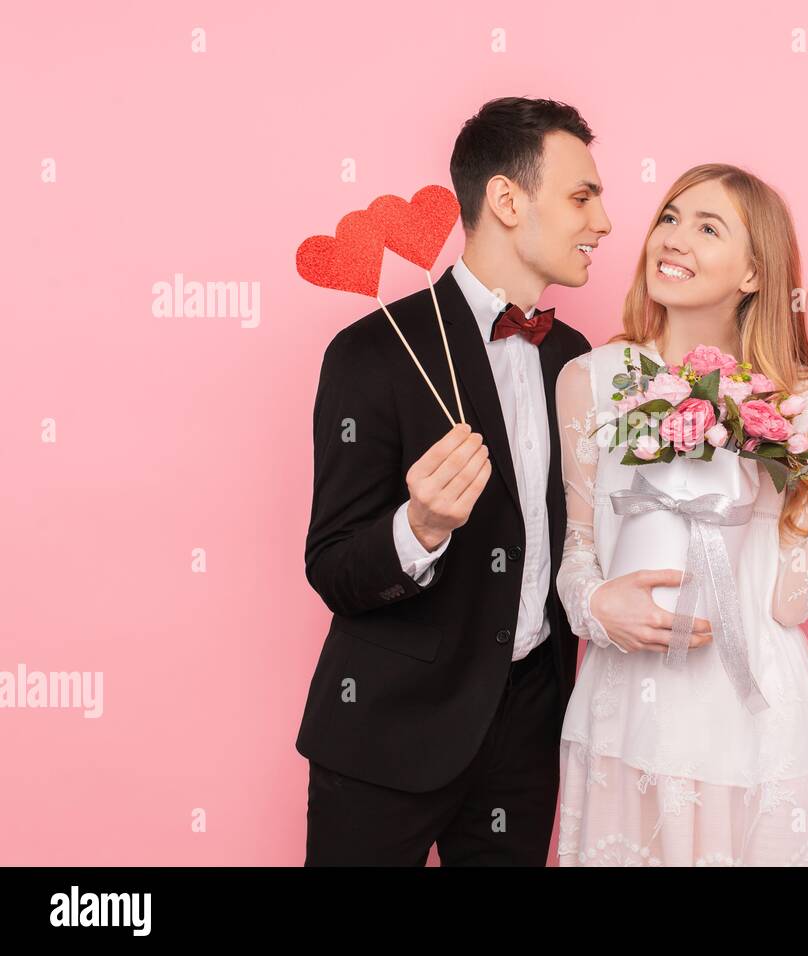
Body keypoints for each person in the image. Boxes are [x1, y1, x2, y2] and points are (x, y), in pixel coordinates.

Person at [553, 164, 808, 866]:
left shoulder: (805, 404)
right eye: (669, 217)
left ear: (755, 273)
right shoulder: (591, 380)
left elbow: (786, 594)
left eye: (707, 227)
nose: (674, 239)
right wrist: (596, 605)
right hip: (625, 707)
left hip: (748, 714)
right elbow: (577, 546)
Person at [296, 97, 610, 865]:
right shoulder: (372, 351)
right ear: (507, 199)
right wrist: (422, 528)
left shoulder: (575, 356)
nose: (602, 222)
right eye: (582, 197)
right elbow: (332, 564)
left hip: (531, 731)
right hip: (387, 735)